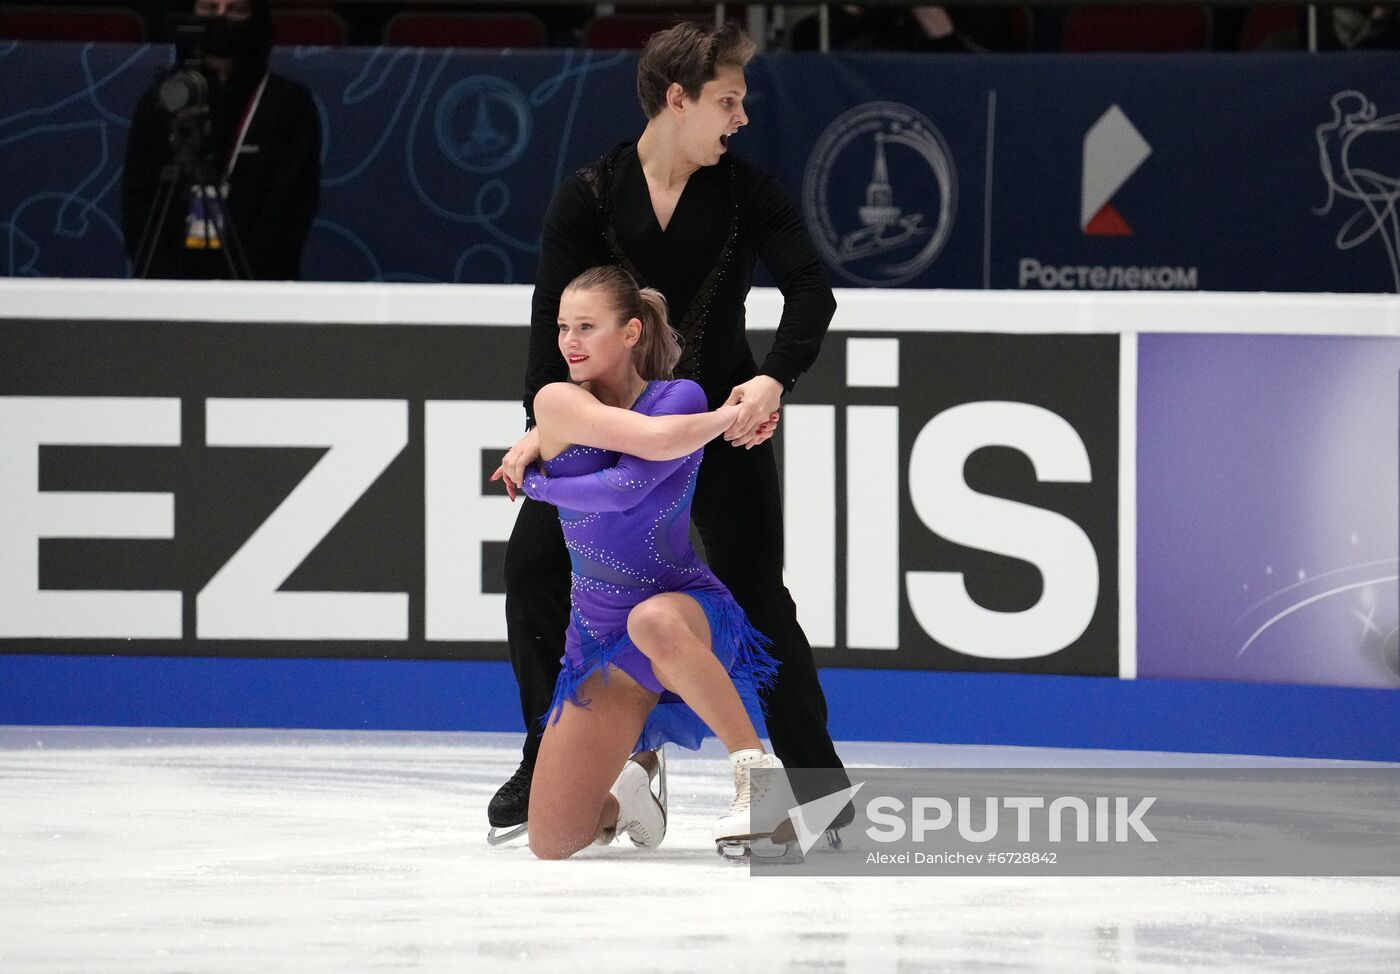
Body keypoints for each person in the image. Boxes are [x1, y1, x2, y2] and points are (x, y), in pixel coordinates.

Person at [491, 20, 849, 848]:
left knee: (759, 600)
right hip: (608, 430)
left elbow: (809, 289)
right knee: (532, 572)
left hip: (719, 428)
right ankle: (554, 753)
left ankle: (819, 793)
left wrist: (771, 378)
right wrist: (541, 432)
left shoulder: (744, 192)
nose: (742, 117)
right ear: (677, 99)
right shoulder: (589, 193)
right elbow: (553, 325)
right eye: (729, 100)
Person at [516, 265, 789, 859]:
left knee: (654, 621)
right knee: (554, 842)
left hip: (684, 611)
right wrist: (731, 417)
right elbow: (620, 441)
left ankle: (758, 778)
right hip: (598, 635)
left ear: (632, 332)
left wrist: (536, 484)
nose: (569, 341)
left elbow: (625, 486)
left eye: (587, 326)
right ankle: (630, 798)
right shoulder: (555, 400)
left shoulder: (679, 399)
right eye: (564, 327)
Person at [121, 0, 320, 280]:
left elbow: (289, 212)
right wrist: (168, 286)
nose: (222, 19)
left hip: (257, 289)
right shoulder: (162, 102)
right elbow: (138, 206)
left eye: (236, 9)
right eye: (210, 9)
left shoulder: (289, 104)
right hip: (169, 293)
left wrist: (235, 289)